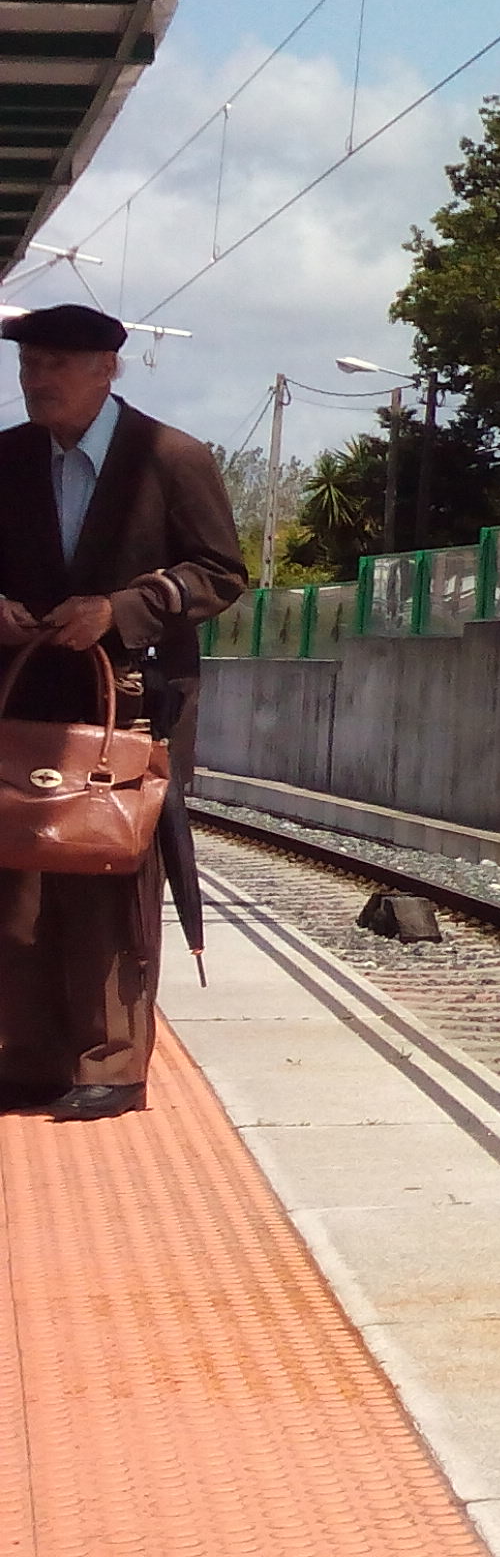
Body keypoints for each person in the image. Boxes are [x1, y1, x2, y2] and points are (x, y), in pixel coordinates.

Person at [0, 301, 245, 1121]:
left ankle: (110, 1062)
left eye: (55, 365)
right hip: (22, 704)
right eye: (29, 364)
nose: (37, 380)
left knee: (111, 876)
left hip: (131, 707)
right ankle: (26, 1058)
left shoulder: (172, 458)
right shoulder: (5, 459)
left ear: (109, 369)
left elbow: (219, 572)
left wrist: (121, 609)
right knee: (19, 881)